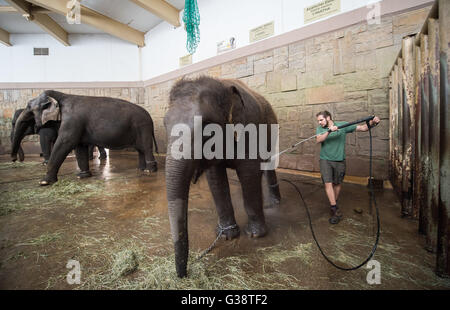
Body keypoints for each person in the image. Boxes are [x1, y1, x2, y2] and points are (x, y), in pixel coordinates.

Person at [315, 111, 380, 224]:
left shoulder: (343, 125)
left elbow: (363, 128)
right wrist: (329, 131)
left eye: (321, 120)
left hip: (339, 160)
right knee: (328, 183)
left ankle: (333, 203)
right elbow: (318, 139)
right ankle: (334, 208)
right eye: (318, 121)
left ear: (328, 117)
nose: (319, 122)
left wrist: (373, 123)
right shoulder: (320, 129)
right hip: (325, 160)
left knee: (337, 183)